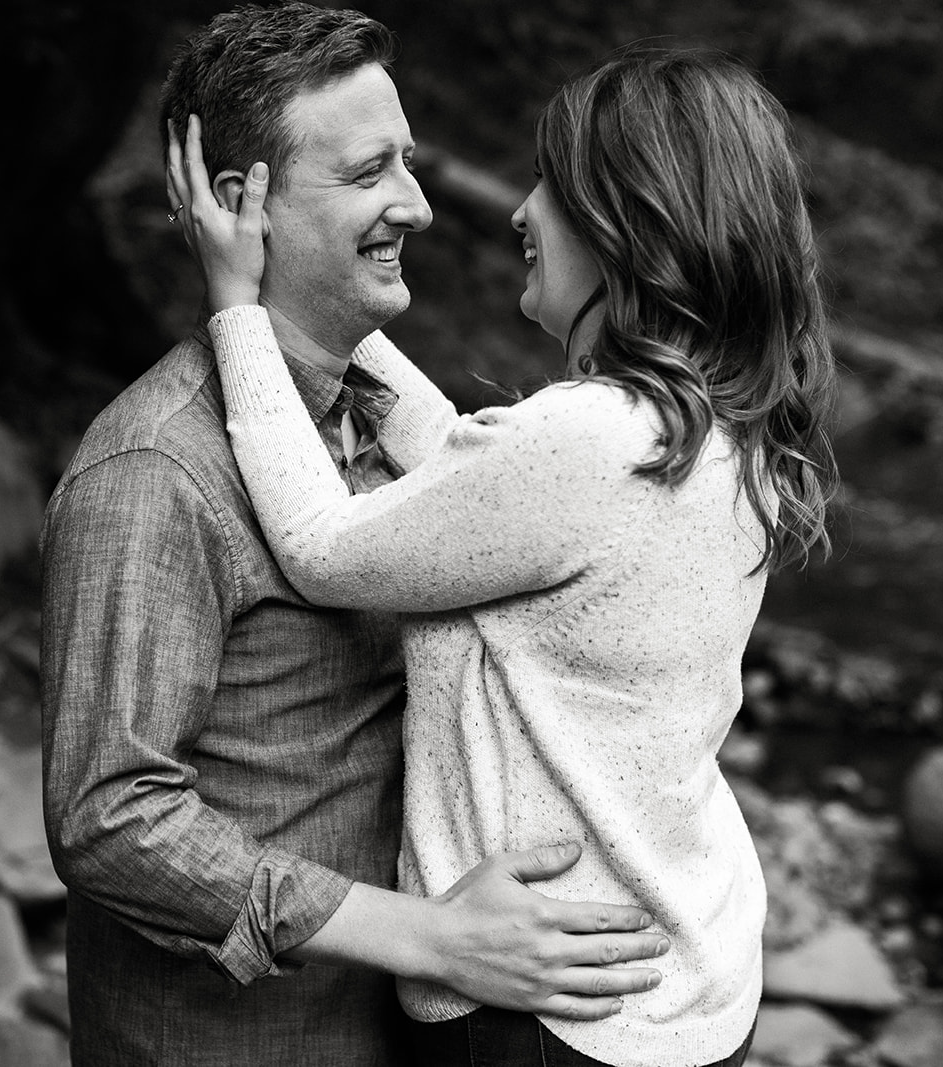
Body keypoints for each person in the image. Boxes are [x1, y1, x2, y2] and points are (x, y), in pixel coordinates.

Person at [168, 41, 839, 1067]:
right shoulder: (721, 425)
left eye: (552, 187)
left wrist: (241, 308)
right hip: (689, 963)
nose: (521, 212)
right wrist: (319, 316)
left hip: (549, 1011)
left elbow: (321, 549)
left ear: (626, 227)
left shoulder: (582, 439)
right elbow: (478, 496)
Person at [41, 7, 669, 1065]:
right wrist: (422, 934)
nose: (417, 206)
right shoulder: (155, 473)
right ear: (247, 206)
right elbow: (108, 815)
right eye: (371, 171)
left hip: (409, 1028)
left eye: (410, 164)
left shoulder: (378, 419)